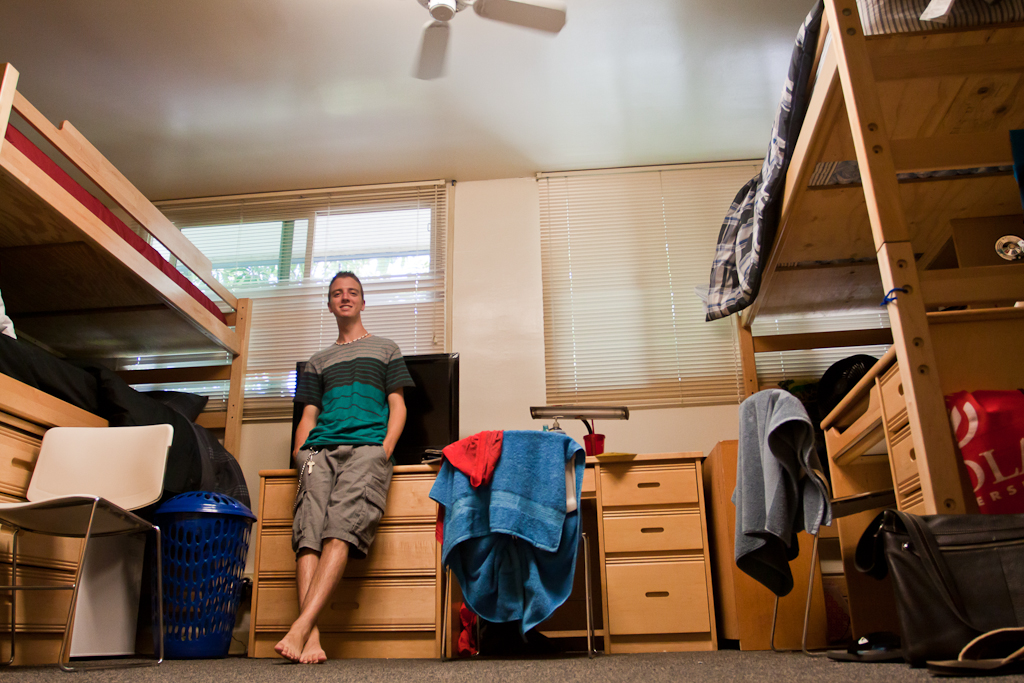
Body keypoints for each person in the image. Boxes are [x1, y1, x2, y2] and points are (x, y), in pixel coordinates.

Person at [274, 271, 414, 663]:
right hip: (316, 454)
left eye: (352, 292)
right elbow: (308, 414)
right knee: (308, 530)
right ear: (331, 304)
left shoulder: (386, 349)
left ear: (363, 302)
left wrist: (383, 450)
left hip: (368, 448)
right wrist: (300, 453)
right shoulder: (318, 362)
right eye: (337, 293)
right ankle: (311, 636)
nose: (345, 297)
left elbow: (398, 406)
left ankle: (300, 628)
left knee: (341, 525)